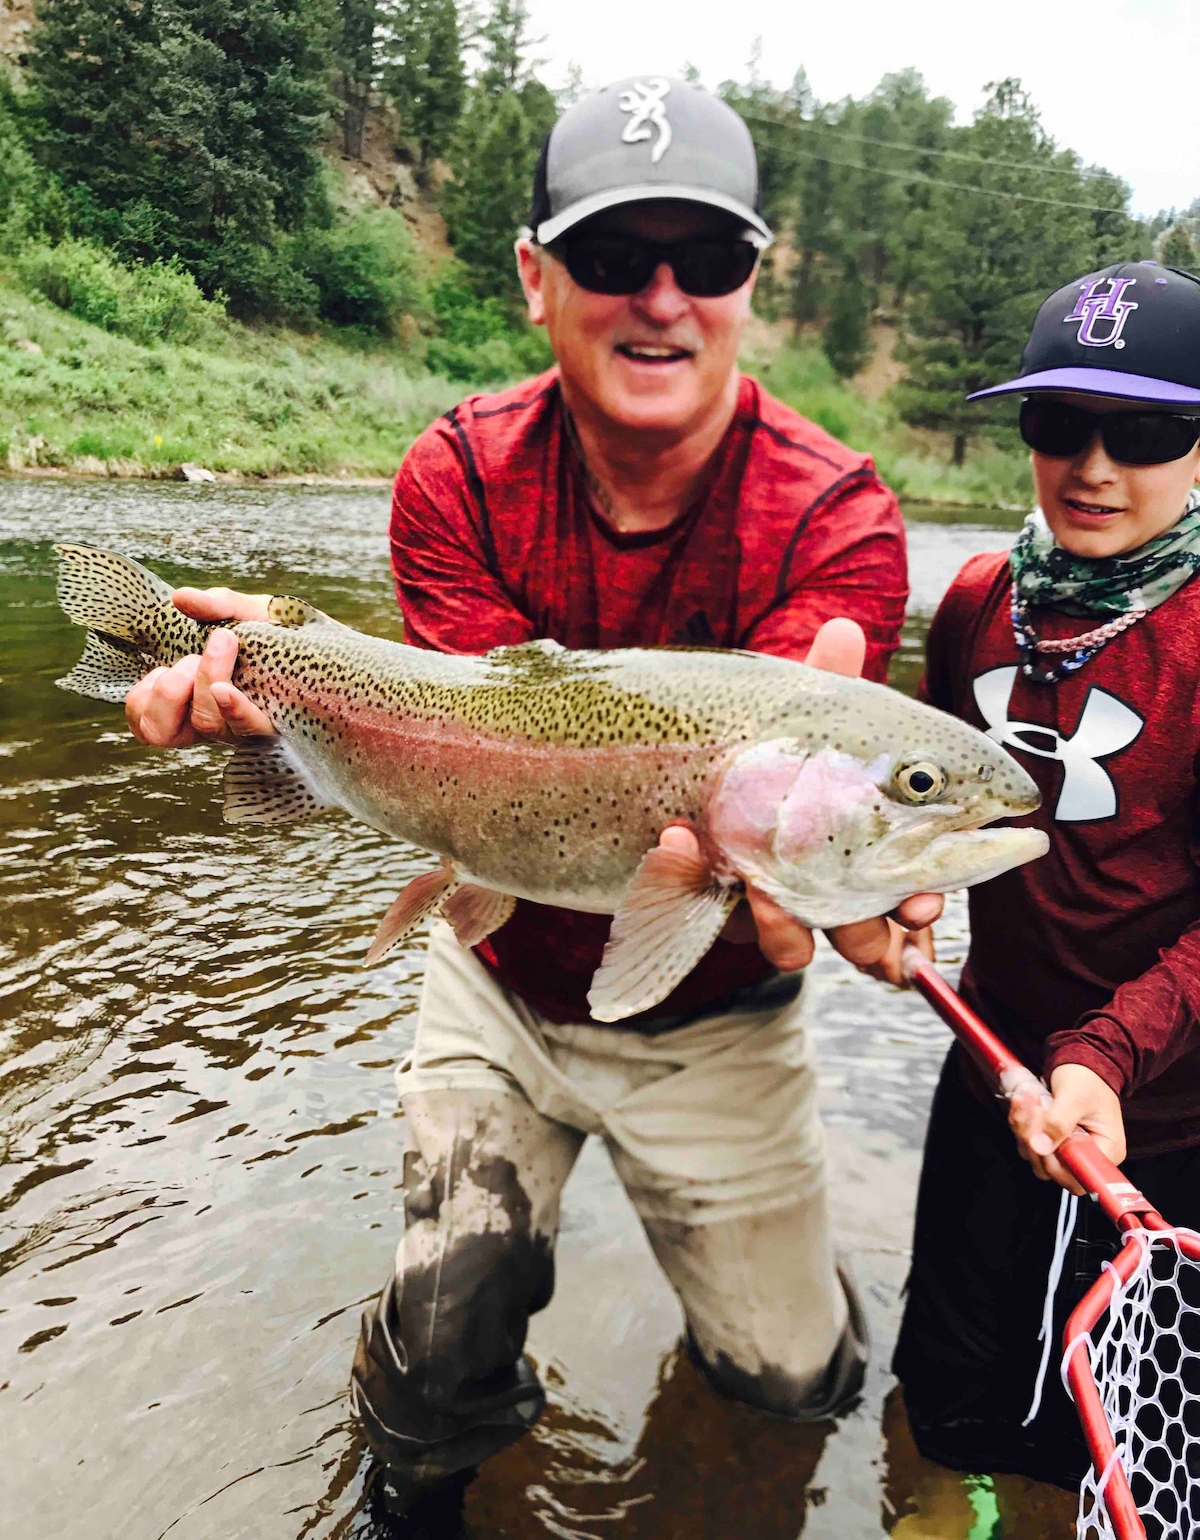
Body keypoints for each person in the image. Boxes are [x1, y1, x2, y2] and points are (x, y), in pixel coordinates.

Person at [124, 76, 940, 1536]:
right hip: (498, 972)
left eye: (711, 260)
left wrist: (838, 850)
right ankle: (412, 1496)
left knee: (791, 1383)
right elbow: (455, 741)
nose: (665, 299)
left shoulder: (839, 512)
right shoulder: (456, 473)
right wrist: (271, 677)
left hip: (717, 1020)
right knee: (440, 1341)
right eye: (620, 257)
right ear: (536, 277)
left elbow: (823, 791)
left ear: (755, 283)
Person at [891, 261, 1200, 1534]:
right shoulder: (973, 601)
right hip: (994, 1075)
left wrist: (1107, 1059)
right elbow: (909, 798)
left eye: (1145, 432)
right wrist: (894, 893)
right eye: (1056, 423)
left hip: (1166, 1126)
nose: (1092, 465)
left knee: (1121, 1435)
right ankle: (951, 1508)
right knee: (949, 1399)